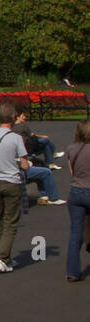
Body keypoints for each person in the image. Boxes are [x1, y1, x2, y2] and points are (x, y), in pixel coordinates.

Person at [0, 103, 31, 272]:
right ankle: (2, 258)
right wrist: (22, 163)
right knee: (11, 222)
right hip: (11, 181)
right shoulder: (16, 138)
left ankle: (3, 257)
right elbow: (24, 164)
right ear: (12, 118)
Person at [65, 120, 90, 282]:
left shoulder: (71, 148)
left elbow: (72, 171)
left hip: (75, 192)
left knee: (75, 234)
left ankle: (72, 272)